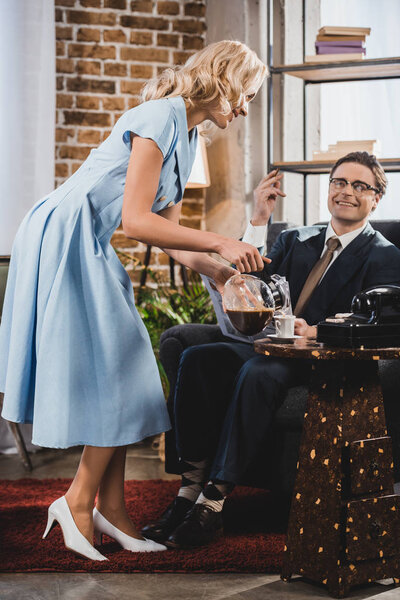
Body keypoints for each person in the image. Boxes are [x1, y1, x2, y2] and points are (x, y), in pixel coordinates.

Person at [0, 40, 270, 561]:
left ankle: (112, 510)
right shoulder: (159, 116)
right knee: (123, 369)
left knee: (126, 372)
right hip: (65, 231)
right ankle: (78, 503)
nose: (243, 108)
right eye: (246, 95)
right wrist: (219, 241)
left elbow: (164, 234)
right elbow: (134, 221)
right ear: (222, 77)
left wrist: (214, 267)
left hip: (87, 237)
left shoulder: (191, 137)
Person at [142, 151, 400, 549]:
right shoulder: (295, 238)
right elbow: (246, 283)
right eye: (339, 182)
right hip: (266, 345)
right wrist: (258, 218)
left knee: (259, 374)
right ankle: (188, 493)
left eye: (359, 186)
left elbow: (379, 320)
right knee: (196, 360)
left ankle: (213, 503)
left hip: (321, 359)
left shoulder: (385, 254)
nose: (346, 192)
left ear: (376, 198)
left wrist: (315, 330)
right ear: (328, 188)